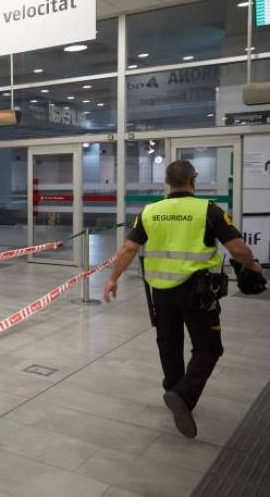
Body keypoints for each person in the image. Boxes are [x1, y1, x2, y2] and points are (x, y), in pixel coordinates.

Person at [103, 160, 264, 439]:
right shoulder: (208, 210)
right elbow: (237, 247)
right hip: (197, 292)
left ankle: (173, 390)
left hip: (160, 291)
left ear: (167, 181)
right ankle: (183, 394)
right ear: (193, 180)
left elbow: (129, 248)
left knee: (169, 343)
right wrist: (252, 266)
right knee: (209, 347)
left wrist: (112, 279)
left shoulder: (150, 211)